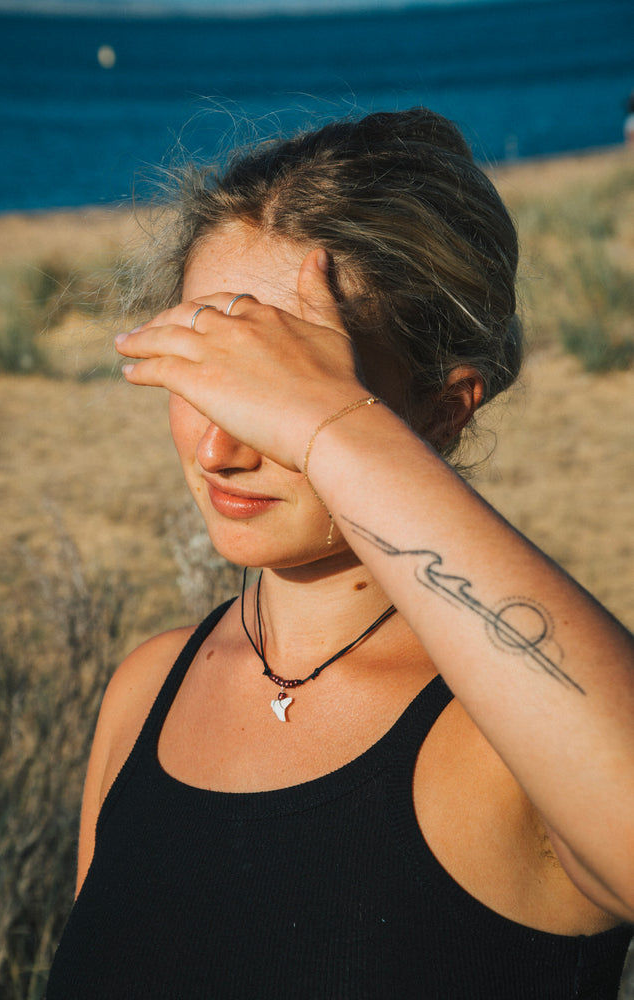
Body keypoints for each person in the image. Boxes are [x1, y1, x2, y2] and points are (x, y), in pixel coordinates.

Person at [47, 108, 634, 998]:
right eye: (212, 370)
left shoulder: (509, 744)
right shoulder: (146, 693)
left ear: (443, 410)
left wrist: (337, 434)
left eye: (284, 392)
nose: (220, 450)